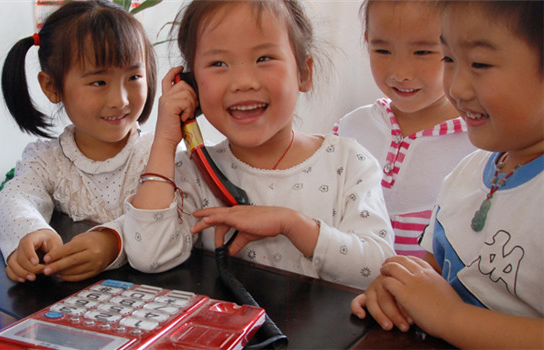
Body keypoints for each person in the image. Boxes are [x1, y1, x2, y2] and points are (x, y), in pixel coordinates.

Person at [121, 0, 395, 289]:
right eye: (218, 64)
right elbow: (148, 256)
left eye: (264, 58)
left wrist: (292, 224)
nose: (243, 82)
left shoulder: (349, 163)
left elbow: (378, 270)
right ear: (192, 86)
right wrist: (165, 140)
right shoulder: (191, 173)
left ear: (304, 73)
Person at [351, 1, 544, 348]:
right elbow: (431, 273)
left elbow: (444, 310)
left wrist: (451, 318)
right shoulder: (467, 173)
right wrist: (398, 289)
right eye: (450, 59)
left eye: (480, 64)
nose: (456, 87)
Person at [0, 0, 157, 283]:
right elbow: (14, 197)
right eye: (99, 82)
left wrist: (113, 242)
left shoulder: (159, 153)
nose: (120, 100)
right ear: (51, 86)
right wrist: (31, 232)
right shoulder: (47, 159)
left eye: (133, 76)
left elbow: (174, 223)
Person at [333, 0, 476, 257]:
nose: (400, 73)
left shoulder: (478, 144)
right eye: (382, 51)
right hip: (344, 292)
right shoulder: (349, 130)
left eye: (422, 52)